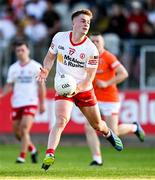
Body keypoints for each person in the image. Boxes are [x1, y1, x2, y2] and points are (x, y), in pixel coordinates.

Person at [37, 9, 124, 171]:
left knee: (97, 125)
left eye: (88, 22)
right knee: (61, 120)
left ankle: (108, 133)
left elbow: (89, 78)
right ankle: (50, 154)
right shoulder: (59, 37)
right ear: (73, 23)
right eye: (83, 21)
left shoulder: (91, 49)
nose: (86, 24)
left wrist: (76, 89)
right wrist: (46, 70)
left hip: (83, 89)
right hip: (63, 87)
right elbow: (50, 57)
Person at [84, 32, 145, 166]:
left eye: (97, 41)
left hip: (110, 99)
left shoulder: (108, 57)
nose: (94, 44)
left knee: (114, 132)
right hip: (94, 98)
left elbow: (124, 73)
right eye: (92, 41)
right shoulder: (87, 57)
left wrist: (107, 83)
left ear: (103, 43)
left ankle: (134, 127)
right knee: (89, 127)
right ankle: (97, 159)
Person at [0, 40, 46, 163]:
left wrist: (42, 103)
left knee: (24, 129)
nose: (20, 53)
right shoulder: (13, 68)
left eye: (22, 50)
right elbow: (9, 85)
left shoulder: (36, 66)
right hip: (17, 102)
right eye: (18, 51)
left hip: (31, 101)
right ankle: (33, 149)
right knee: (17, 133)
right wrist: (2, 94)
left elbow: (41, 86)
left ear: (28, 51)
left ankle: (22, 156)